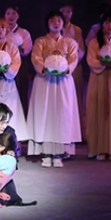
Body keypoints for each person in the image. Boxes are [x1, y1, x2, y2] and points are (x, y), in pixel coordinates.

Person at [27, 11, 82, 168]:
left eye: (59, 20)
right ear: (47, 23)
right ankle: (46, 152)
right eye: (52, 20)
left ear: (63, 24)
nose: (56, 23)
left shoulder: (70, 42)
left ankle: (59, 152)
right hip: (45, 81)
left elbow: (73, 59)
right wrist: (45, 69)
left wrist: (66, 69)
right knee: (45, 113)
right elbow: (36, 58)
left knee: (62, 114)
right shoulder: (41, 41)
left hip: (63, 82)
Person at [85, 13, 111, 161]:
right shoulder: (94, 43)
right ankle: (99, 149)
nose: (110, 26)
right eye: (107, 23)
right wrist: (101, 63)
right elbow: (91, 60)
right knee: (98, 110)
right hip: (99, 78)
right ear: (102, 25)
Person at [59, 4, 88, 139]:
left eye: (68, 11)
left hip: (74, 66)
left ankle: (77, 133)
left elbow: (81, 49)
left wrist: (72, 62)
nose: (65, 14)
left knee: (76, 97)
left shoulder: (76, 30)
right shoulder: (55, 28)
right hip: (57, 67)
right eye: (63, 11)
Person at [4, 6, 34, 115]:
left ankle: (21, 117)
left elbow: (27, 48)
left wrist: (17, 49)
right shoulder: (0, 31)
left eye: (13, 14)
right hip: (4, 66)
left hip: (20, 65)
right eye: (8, 13)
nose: (11, 16)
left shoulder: (24, 32)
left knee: (21, 91)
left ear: (18, 16)